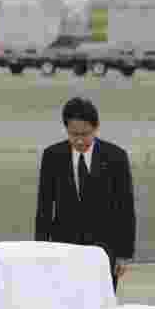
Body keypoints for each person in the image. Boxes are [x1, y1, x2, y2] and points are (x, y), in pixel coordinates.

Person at [35, 97, 136, 292]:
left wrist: (123, 254)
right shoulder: (52, 156)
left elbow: (125, 207)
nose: (79, 140)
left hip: (104, 251)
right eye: (74, 134)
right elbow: (44, 206)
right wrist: (40, 250)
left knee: (100, 306)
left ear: (96, 128)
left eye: (85, 134)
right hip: (63, 249)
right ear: (66, 129)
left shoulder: (116, 157)